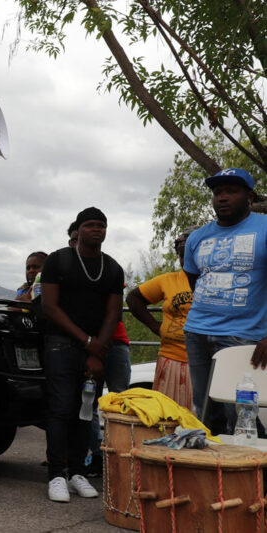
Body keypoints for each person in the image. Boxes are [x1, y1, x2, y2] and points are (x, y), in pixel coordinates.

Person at [40, 207, 123, 502]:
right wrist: (88, 342)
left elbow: (113, 314)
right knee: (60, 408)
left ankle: (77, 472)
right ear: (78, 230)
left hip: (96, 348)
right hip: (61, 345)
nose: (96, 230)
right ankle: (56, 474)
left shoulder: (112, 268)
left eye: (101, 225)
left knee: (84, 410)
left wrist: (97, 350)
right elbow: (49, 307)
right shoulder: (58, 260)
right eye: (90, 225)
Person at [182, 168, 267, 435]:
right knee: (205, 412)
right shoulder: (197, 237)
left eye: (231, 191)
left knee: (242, 415)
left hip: (243, 335)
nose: (222, 197)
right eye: (218, 192)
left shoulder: (263, 228)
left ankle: (256, 475)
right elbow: (194, 280)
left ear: (249, 197)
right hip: (197, 332)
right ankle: (215, 474)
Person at [65, 221, 131, 478]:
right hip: (85, 344)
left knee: (119, 401)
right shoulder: (66, 270)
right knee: (87, 402)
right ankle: (93, 455)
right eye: (72, 240)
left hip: (114, 344)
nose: (75, 244)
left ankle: (120, 456)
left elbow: (113, 311)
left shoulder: (107, 269)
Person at [126, 227, 196, 410]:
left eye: (190, 254)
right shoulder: (168, 280)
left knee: (202, 418)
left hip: (204, 361)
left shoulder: (216, 281)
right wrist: (155, 326)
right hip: (171, 359)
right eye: (181, 256)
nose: (185, 261)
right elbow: (133, 298)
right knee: (168, 416)